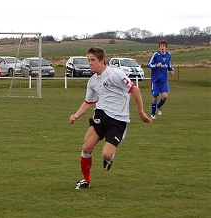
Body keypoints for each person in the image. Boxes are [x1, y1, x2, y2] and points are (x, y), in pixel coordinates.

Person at [69, 47, 152, 190]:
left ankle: (109, 159)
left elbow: (135, 90)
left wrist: (141, 113)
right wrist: (76, 115)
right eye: (88, 60)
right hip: (101, 115)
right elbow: (88, 102)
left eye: (93, 60)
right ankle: (86, 180)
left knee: (106, 154)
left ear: (102, 61)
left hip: (118, 120)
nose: (90, 63)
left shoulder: (115, 74)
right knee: (86, 147)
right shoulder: (93, 81)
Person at [147, 40, 175, 119]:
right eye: (161, 46)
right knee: (155, 97)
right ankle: (153, 114)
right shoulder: (156, 55)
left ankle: (159, 106)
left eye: (164, 46)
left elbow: (168, 65)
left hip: (164, 80)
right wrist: (156, 65)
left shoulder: (168, 55)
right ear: (159, 47)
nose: (162, 47)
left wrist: (172, 70)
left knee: (165, 96)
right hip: (155, 80)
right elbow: (149, 64)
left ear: (166, 47)